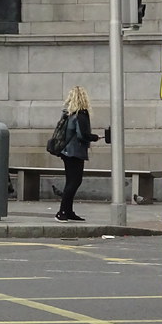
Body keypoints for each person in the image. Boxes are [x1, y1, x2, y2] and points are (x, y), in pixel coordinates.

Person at [56, 86, 99, 222]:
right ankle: (62, 211)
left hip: (66, 151)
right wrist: (94, 137)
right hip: (75, 152)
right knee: (74, 182)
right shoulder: (81, 114)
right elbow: (82, 135)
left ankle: (68, 211)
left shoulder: (69, 114)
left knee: (71, 181)